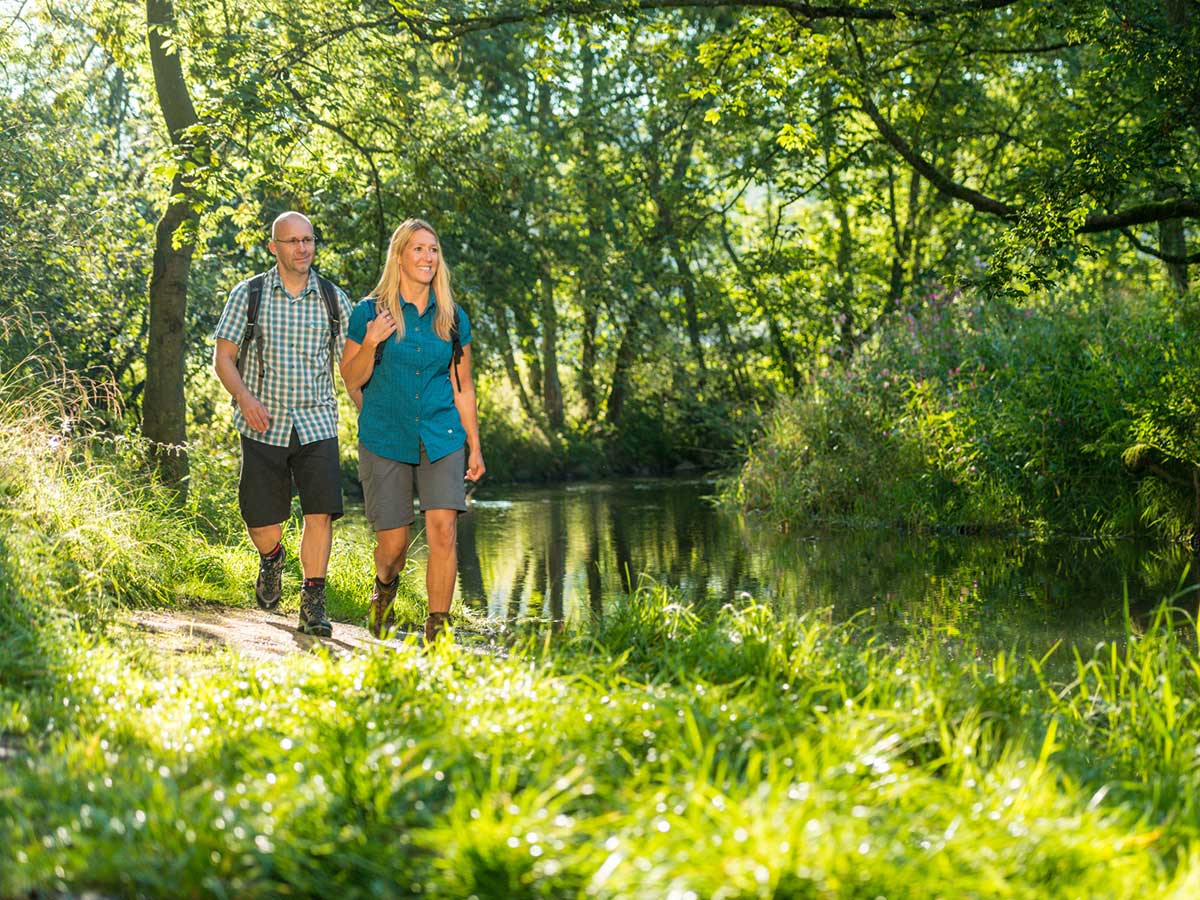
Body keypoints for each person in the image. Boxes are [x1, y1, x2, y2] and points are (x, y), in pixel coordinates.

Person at [340, 218, 485, 643]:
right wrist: (370, 342)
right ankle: (384, 588)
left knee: (443, 529)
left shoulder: (453, 318)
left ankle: (438, 630)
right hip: (385, 437)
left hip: (441, 435)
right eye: (418, 249)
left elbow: (464, 386)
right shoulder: (370, 312)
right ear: (399, 255)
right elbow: (351, 378)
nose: (427, 257)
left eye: (433, 250)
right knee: (394, 547)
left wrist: (474, 446)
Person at [212, 211, 354, 637]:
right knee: (260, 521)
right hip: (263, 423)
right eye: (292, 241)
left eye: (308, 239)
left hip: (318, 423)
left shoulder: (333, 298)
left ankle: (313, 602)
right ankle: (272, 558)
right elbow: (223, 358)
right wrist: (244, 397)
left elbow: (355, 362)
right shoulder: (248, 294)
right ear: (273, 247)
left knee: (320, 514)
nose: (302, 248)